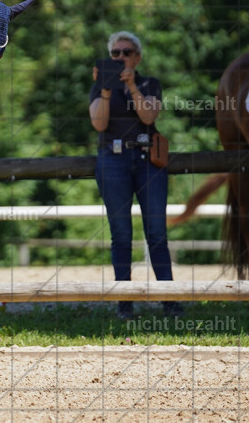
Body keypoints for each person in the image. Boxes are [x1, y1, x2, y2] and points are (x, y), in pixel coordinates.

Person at [88, 32, 180, 319]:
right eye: (115, 53)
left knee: (157, 234)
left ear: (137, 57)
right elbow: (99, 124)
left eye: (126, 52)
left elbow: (149, 117)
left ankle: (169, 301)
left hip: (146, 161)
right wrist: (105, 90)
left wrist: (131, 86)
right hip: (112, 160)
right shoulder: (100, 86)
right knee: (121, 235)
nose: (120, 58)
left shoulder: (149, 83)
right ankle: (124, 303)